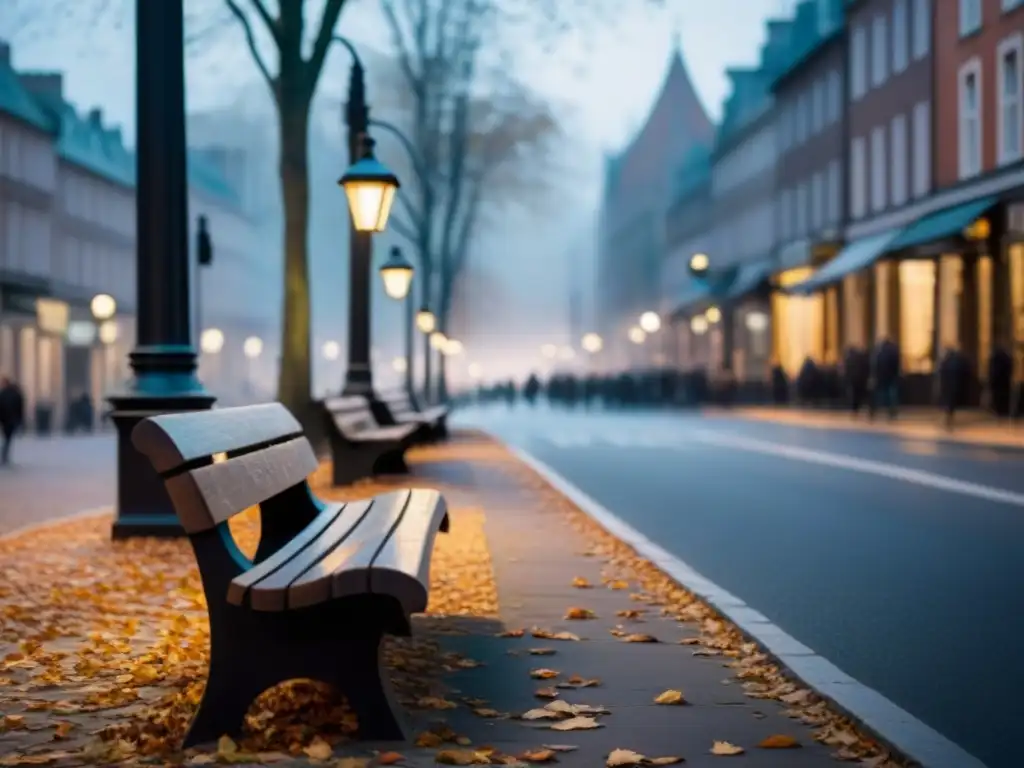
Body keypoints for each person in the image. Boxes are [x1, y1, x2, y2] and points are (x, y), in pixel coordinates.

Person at [0, 375, 25, 465]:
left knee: (7, 438)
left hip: (5, 419)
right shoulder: (16, 394)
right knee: (8, 438)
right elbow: (20, 408)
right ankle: (4, 456)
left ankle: (4, 455)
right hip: (12, 419)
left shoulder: (3, 394)